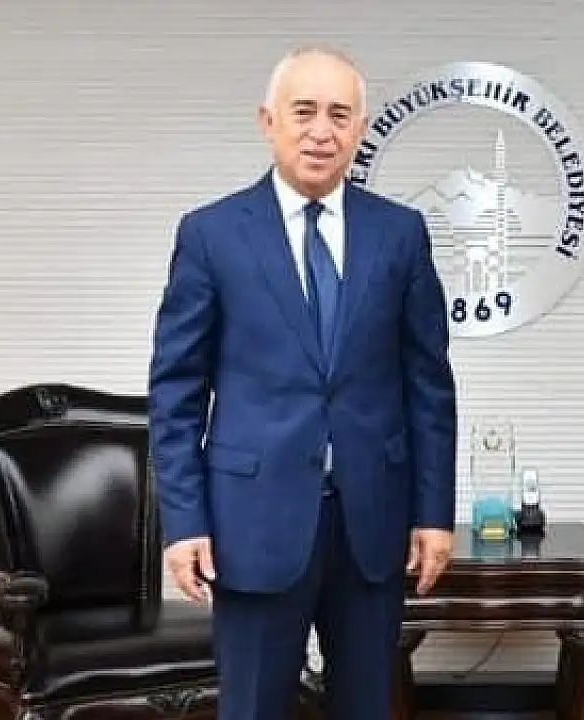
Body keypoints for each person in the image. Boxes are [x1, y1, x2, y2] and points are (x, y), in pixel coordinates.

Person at [147, 46, 458, 720]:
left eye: (339, 115)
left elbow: (428, 384)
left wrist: (434, 513)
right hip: (251, 522)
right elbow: (175, 393)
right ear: (268, 121)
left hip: (371, 522)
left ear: (360, 128)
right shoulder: (212, 234)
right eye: (304, 111)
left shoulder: (400, 234)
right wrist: (184, 521)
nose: (322, 131)